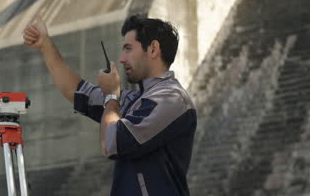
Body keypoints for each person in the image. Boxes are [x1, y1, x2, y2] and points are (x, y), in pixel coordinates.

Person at [23, 12, 196, 195]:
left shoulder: (172, 99)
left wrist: (112, 97)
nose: (122, 58)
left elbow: (112, 143)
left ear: (153, 49)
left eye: (128, 49)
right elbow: (76, 91)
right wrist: (45, 44)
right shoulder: (138, 100)